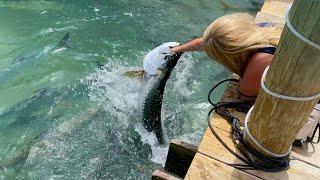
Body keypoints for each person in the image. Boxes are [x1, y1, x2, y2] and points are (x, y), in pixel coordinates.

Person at [144, 13, 282, 101]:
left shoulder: (260, 61)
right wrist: (176, 50)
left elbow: (244, 95)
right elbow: (211, 41)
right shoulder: (258, 30)